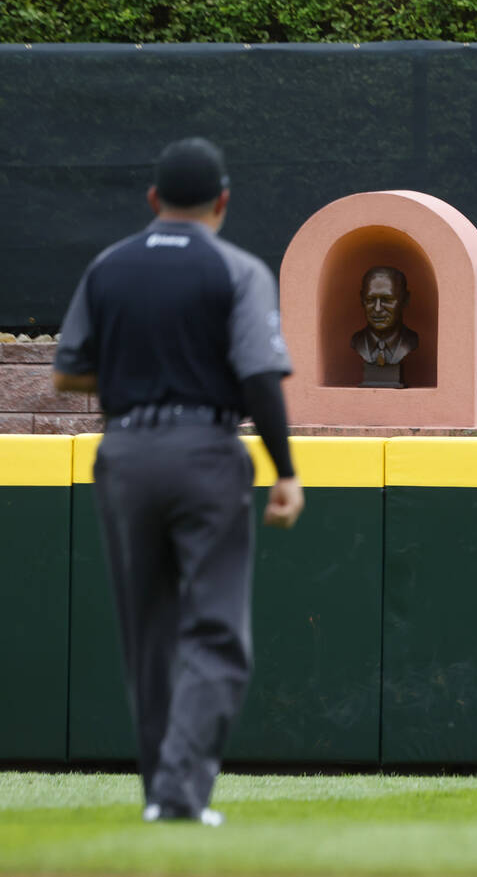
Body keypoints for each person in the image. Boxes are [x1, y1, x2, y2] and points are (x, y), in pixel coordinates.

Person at [52, 137, 304, 824]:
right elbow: (258, 377)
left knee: (148, 632)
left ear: (152, 200)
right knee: (216, 630)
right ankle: (178, 796)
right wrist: (286, 470)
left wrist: (136, 378)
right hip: (204, 451)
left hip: (126, 451)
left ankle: (160, 795)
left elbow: (68, 371)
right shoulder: (238, 269)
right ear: (222, 201)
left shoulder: (109, 266)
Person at [350, 266, 418, 370]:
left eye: (387, 300)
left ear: (405, 300)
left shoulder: (410, 341)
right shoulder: (357, 341)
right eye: (370, 299)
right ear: (362, 299)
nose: (377, 309)